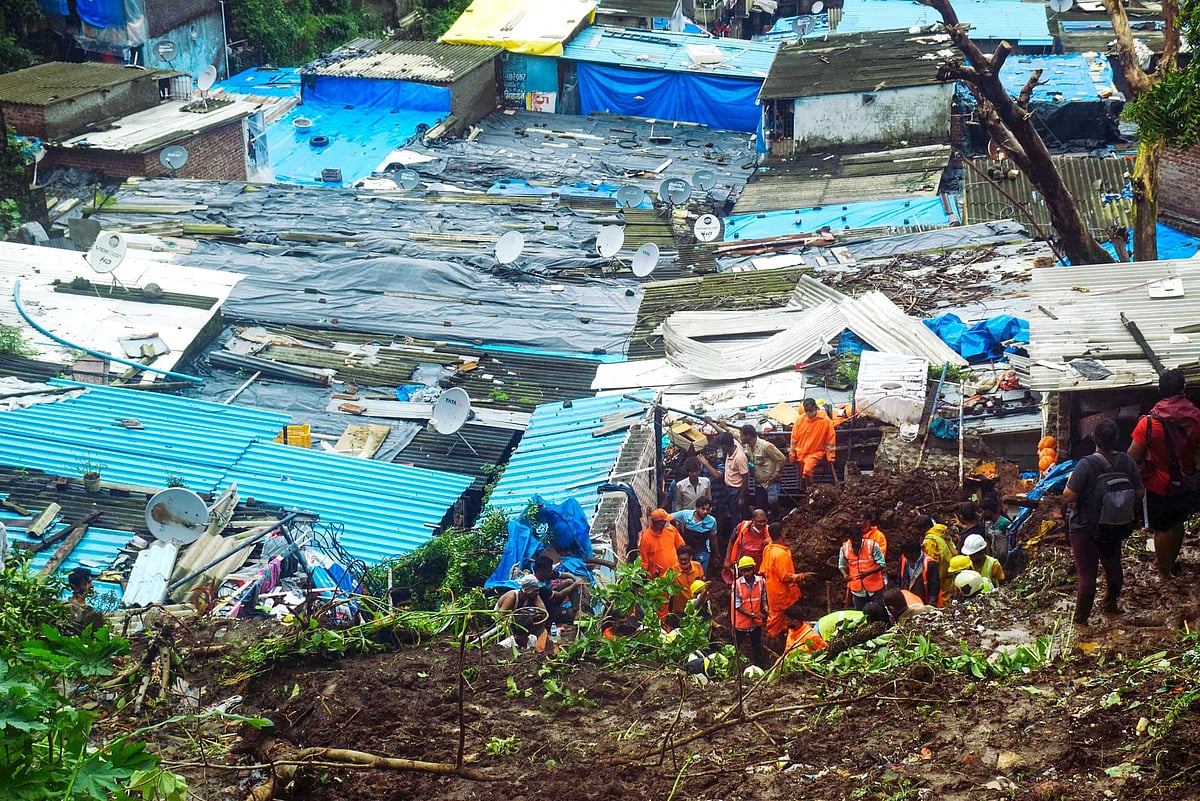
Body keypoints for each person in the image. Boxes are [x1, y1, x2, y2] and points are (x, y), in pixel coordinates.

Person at [1064, 419, 1145, 624]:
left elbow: (1069, 496)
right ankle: (1110, 604)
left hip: (1085, 527)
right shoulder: (1127, 461)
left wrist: (1070, 480)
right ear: (1117, 438)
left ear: (1094, 439)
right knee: (1114, 566)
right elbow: (1140, 493)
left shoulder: (1086, 464)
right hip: (1113, 524)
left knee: (1087, 575)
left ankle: (1080, 622)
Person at [1128, 368, 1200, 580]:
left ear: (1160, 389)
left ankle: (1163, 572)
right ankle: (1172, 562)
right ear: (1183, 389)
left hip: (1159, 484)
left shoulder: (1149, 423)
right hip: (1188, 480)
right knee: (1178, 523)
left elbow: (1132, 456)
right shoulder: (1196, 418)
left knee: (1162, 528)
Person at [760, 522, 805, 637]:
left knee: (776, 617)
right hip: (783, 594)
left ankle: (779, 636)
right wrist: (802, 576)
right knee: (781, 618)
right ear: (782, 533)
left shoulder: (768, 549)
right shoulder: (780, 554)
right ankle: (774, 639)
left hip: (773, 592)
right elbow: (785, 577)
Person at [494, 574, 550, 650]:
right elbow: (500, 617)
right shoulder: (512, 597)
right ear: (528, 591)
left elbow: (544, 613)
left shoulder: (534, 596)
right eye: (535, 590)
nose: (538, 592)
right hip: (506, 624)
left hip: (521, 623)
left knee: (542, 629)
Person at [789, 398, 836, 488]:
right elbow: (793, 439)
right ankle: (808, 492)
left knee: (807, 471)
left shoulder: (825, 421)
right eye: (807, 411)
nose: (809, 414)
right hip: (801, 453)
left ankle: (810, 490)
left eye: (811, 411)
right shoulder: (799, 420)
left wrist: (831, 456)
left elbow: (830, 439)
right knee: (804, 474)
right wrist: (792, 454)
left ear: (815, 408)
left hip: (815, 452)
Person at [741, 424, 786, 516]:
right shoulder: (748, 446)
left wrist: (775, 475)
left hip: (770, 481)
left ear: (748, 436)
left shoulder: (766, 446)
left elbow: (781, 459)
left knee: (772, 501)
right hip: (758, 482)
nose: (741, 437)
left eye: (742, 435)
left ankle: (777, 519)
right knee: (761, 508)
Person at [730, 555, 767, 667]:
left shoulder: (761, 581)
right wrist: (753, 615)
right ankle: (731, 665)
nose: (747, 573)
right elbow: (737, 605)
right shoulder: (736, 585)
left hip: (755, 623)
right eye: (744, 571)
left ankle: (759, 666)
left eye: (749, 570)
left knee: (757, 645)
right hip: (741, 622)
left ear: (753, 569)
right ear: (740, 571)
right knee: (735, 646)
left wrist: (765, 607)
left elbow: (763, 597)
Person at [839, 523, 885, 610]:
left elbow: (882, 564)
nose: (857, 543)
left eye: (859, 540)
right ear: (849, 538)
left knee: (879, 613)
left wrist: (867, 573)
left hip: (875, 588)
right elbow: (841, 565)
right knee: (861, 615)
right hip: (857, 590)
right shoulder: (844, 548)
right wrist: (844, 574)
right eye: (854, 541)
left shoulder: (872, 546)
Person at [533, 555, 586, 626]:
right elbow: (559, 595)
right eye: (549, 571)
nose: (551, 572)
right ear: (540, 571)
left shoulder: (547, 574)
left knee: (569, 582)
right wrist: (575, 584)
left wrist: (576, 579)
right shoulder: (538, 586)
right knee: (570, 614)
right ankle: (568, 615)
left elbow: (566, 574)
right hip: (549, 609)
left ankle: (577, 610)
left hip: (553, 599)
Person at [671, 498, 718, 572]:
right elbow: (669, 517)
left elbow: (714, 539)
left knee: (700, 574)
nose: (705, 512)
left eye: (708, 509)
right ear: (697, 508)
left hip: (702, 549)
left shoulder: (712, 521)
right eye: (703, 509)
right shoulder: (686, 515)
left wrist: (717, 555)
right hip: (687, 548)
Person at [919, 517, 957, 607]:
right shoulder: (941, 531)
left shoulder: (929, 541)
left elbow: (932, 561)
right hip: (953, 566)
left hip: (942, 573)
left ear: (925, 527)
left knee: (944, 598)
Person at [639, 508, 684, 580]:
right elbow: (644, 562)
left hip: (674, 573)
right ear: (658, 523)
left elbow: (681, 546)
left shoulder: (671, 530)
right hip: (658, 578)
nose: (668, 522)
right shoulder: (646, 538)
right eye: (665, 521)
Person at [897, 537, 940, 607]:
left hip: (923, 601)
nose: (904, 555)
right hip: (907, 601)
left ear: (915, 553)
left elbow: (934, 587)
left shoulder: (930, 564)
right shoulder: (903, 560)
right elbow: (900, 580)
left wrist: (931, 605)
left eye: (906, 554)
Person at [670, 547, 706, 614]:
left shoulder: (697, 566)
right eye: (681, 559)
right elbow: (663, 583)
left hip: (696, 608)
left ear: (691, 557)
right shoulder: (673, 570)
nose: (683, 562)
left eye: (685, 559)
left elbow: (702, 586)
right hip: (680, 611)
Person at [979, 496, 1012, 568]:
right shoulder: (987, 523)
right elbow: (988, 539)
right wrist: (988, 556)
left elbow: (1011, 542)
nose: (981, 514)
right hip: (994, 559)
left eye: (982, 512)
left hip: (1005, 561)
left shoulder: (1005, 523)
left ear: (988, 511)